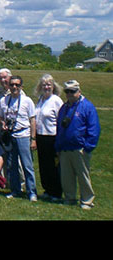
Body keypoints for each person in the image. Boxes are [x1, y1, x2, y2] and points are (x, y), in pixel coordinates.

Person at [55, 80, 101, 210]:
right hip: (64, 148)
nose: (69, 94)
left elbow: (94, 128)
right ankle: (69, 198)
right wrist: (58, 147)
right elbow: (59, 128)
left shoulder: (87, 106)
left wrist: (88, 146)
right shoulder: (64, 108)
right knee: (66, 177)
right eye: (67, 91)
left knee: (83, 176)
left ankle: (87, 200)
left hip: (80, 148)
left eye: (72, 91)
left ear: (79, 91)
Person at [0, 75, 38, 201]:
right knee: (11, 165)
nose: (14, 87)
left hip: (23, 135)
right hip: (10, 135)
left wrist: (33, 139)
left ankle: (32, 192)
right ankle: (15, 190)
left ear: (21, 87)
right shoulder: (4, 101)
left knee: (27, 165)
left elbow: (32, 120)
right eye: (12, 84)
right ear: (8, 86)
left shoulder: (27, 101)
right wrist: (2, 123)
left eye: (17, 85)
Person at [34, 74, 64, 201]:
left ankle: (56, 192)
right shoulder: (40, 99)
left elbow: (61, 120)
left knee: (54, 166)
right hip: (41, 136)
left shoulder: (56, 100)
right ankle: (47, 189)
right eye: (44, 85)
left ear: (53, 86)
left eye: (49, 85)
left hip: (52, 137)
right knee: (43, 165)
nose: (46, 87)